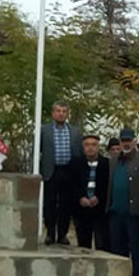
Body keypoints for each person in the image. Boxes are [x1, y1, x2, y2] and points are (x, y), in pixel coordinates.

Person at [107, 128, 139, 276]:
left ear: (134, 141)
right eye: (123, 140)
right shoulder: (113, 160)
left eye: (128, 140)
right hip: (115, 211)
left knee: (137, 246)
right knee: (117, 246)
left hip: (135, 212)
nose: (126, 143)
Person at [40, 101, 82, 246]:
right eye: (58, 111)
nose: (61, 114)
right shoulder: (44, 130)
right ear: (53, 113)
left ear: (67, 113)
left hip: (69, 171)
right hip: (51, 170)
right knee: (49, 203)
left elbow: (79, 152)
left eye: (64, 111)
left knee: (66, 204)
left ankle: (62, 234)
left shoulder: (75, 131)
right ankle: (50, 233)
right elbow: (38, 151)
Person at [72, 134, 110, 251]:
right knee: (83, 245)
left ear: (99, 147)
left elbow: (108, 185)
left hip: (100, 209)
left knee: (102, 243)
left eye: (94, 145)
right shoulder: (76, 163)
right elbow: (72, 185)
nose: (90, 148)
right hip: (81, 209)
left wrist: (98, 197)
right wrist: (80, 198)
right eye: (87, 145)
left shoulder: (106, 164)